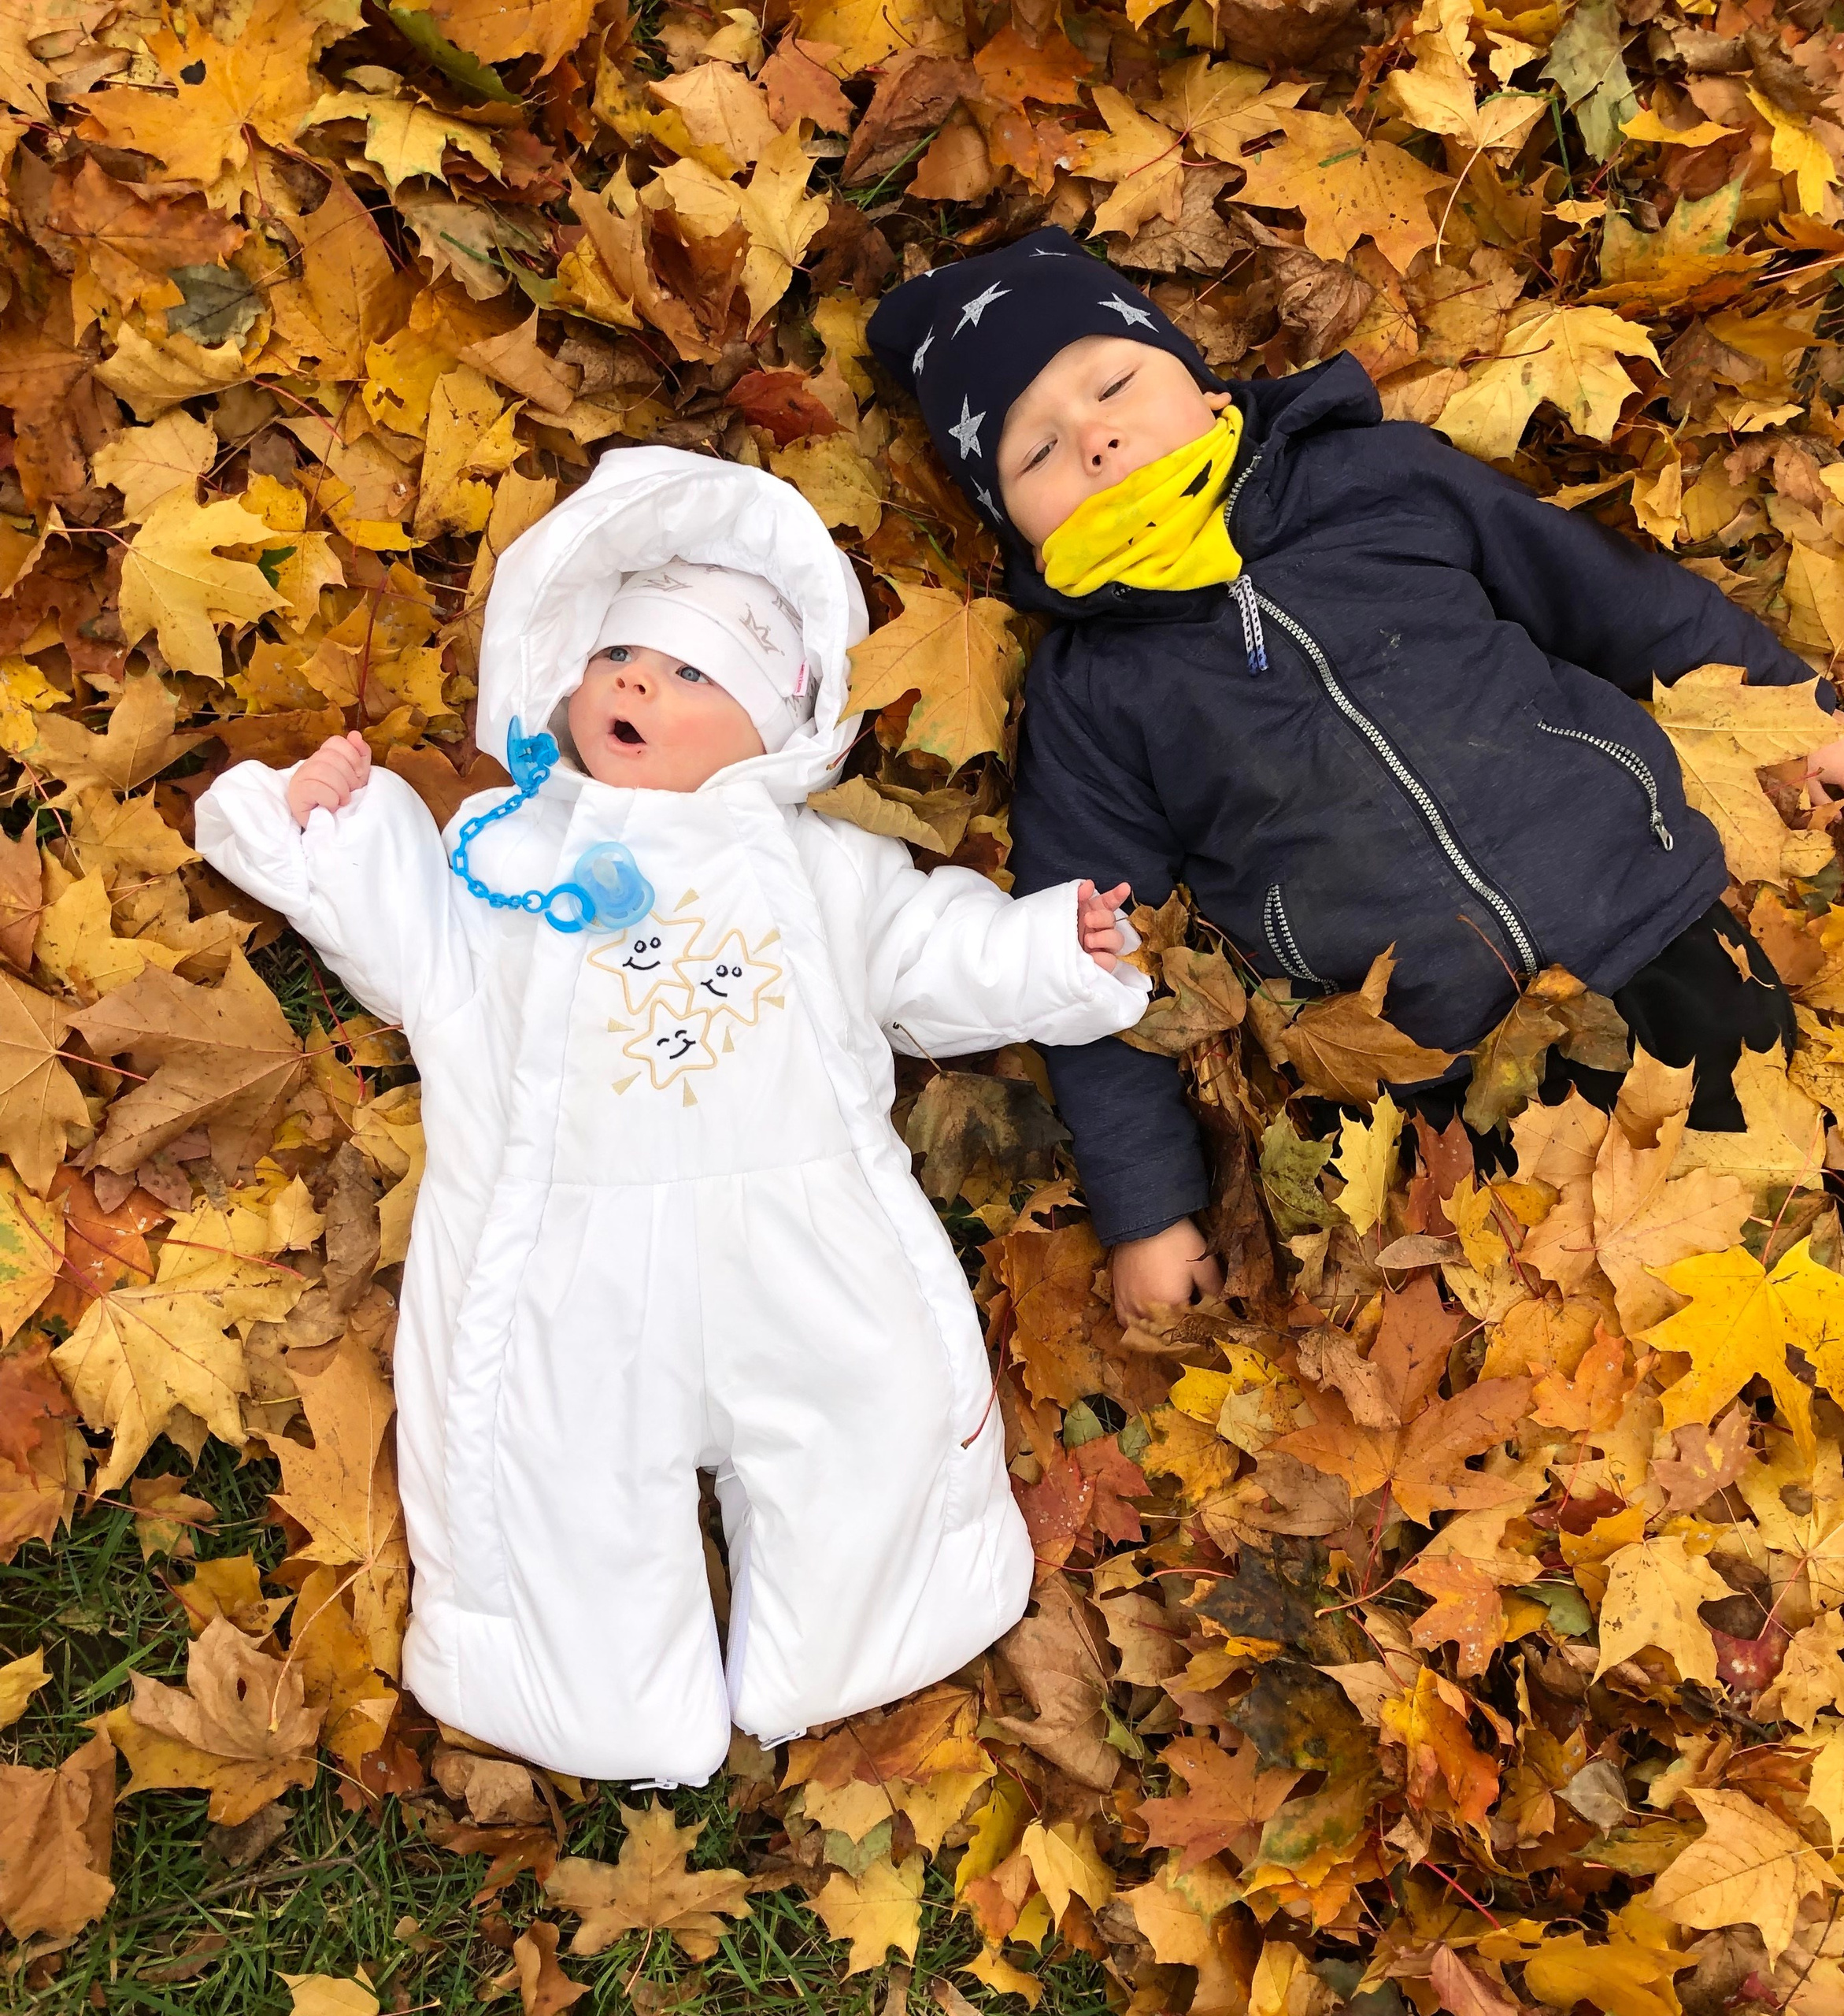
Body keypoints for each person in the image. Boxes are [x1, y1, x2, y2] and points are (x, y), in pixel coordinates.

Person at [194, 448, 1148, 1786]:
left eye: (696, 674)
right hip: (560, 1250)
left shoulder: (819, 869)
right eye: (622, 656)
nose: (641, 683)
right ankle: (587, 1692)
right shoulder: (500, 850)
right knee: (552, 1466)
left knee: (866, 1410)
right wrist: (336, 831)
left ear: (785, 729)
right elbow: (404, 936)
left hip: (803, 1231)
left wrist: (1059, 951)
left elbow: (937, 952)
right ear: (563, 675)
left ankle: (850, 1640)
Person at [865, 231, 1844, 1325]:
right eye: (1038, 454)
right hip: (1438, 1067)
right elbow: (1087, 954)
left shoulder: (1375, 476)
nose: (1098, 437)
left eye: (1113, 383)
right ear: (1009, 527)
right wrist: (1149, 1208)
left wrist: (1791, 708)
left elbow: (1601, 591)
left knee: (1795, 1240)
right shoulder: (1091, 693)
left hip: (1645, 912)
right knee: (1560, 1327)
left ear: (1202, 386)